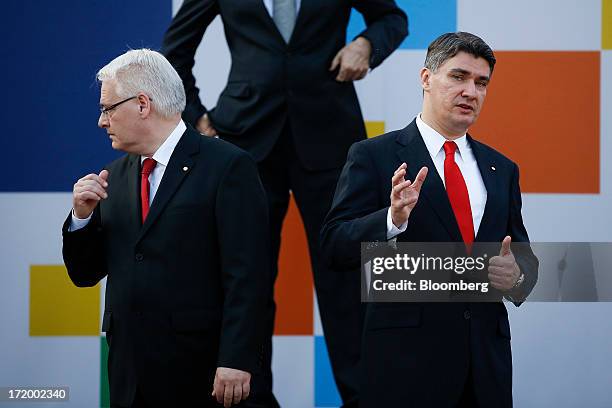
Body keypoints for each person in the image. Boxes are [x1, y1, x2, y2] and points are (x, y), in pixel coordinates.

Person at [161, 1, 408, 406]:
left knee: (347, 277)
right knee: (245, 276)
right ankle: (252, 400)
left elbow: (392, 17)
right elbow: (174, 52)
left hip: (331, 137)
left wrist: (366, 43)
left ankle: (366, 398)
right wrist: (198, 119)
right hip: (243, 141)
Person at [321, 32, 539, 407]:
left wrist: (516, 276)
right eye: (458, 77)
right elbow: (333, 246)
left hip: (485, 369)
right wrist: (390, 219)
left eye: (481, 82)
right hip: (406, 368)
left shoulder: (502, 169)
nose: (471, 91)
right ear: (426, 78)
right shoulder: (374, 155)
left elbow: (522, 258)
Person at [62, 49, 270, 408]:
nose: (102, 121)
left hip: (201, 373)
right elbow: (85, 273)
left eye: (108, 108)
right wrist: (81, 218)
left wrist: (236, 357)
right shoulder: (115, 175)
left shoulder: (227, 166)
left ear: (143, 103)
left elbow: (248, 275)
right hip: (130, 374)